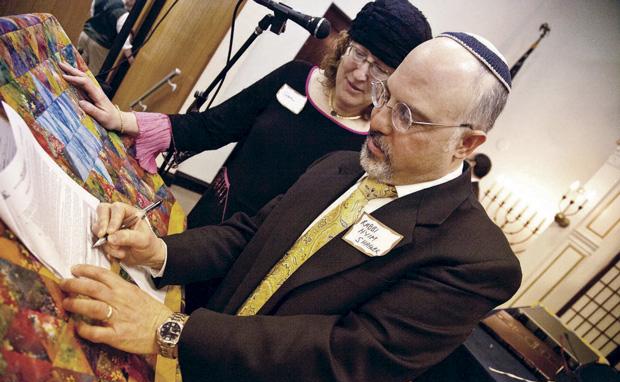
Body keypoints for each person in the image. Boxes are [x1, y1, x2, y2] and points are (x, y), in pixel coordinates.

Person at [59, 33, 522, 382]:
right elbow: (250, 236)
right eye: (386, 95)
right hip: (196, 374)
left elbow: (346, 358)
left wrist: (170, 330)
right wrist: (159, 250)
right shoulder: (340, 165)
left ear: (466, 143)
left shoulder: (474, 260)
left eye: (407, 115)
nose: (378, 119)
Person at [65, 0, 432, 229]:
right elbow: (210, 127)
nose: (361, 72)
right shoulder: (294, 78)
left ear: (395, 80)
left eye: (381, 67)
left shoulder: (373, 145)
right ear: (346, 44)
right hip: (206, 225)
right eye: (360, 53)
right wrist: (120, 118)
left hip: (251, 270)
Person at [78, 0, 136, 74]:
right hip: (100, 46)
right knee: (92, 75)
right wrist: (132, 61)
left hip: (85, 34)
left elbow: (93, 13)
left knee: (76, 65)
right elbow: (125, 43)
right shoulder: (123, 14)